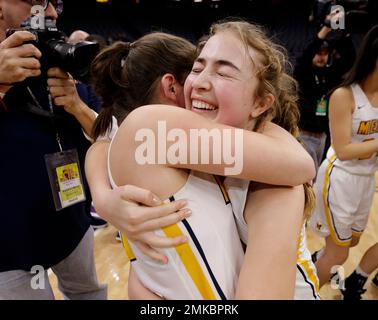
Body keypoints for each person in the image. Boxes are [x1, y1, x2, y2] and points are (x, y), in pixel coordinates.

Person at [87, 22, 317, 299]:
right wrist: (101, 194)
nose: (199, 83)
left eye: (223, 72)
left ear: (260, 104)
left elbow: (302, 166)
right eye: (197, 69)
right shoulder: (207, 152)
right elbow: (108, 142)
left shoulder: (276, 182)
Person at [0, 0, 106, 299]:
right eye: (36, 1)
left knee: (89, 293)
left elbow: (105, 138)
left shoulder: (59, 58)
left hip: (71, 219)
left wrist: (77, 105)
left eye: (55, 2)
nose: (50, 12)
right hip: (9, 246)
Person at [308, 25, 378, 289]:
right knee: (340, 253)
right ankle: (304, 292)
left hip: (366, 179)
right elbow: (345, 149)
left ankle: (318, 261)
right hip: (341, 178)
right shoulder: (344, 95)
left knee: (351, 242)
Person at [295, 8, 355, 173]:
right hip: (304, 134)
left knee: (318, 175)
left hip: (324, 136)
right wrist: (326, 29)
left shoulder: (329, 75)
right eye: (318, 53)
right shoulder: (304, 73)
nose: (321, 56)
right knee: (305, 176)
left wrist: (343, 32)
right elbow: (304, 57)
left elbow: (349, 61)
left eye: (325, 53)